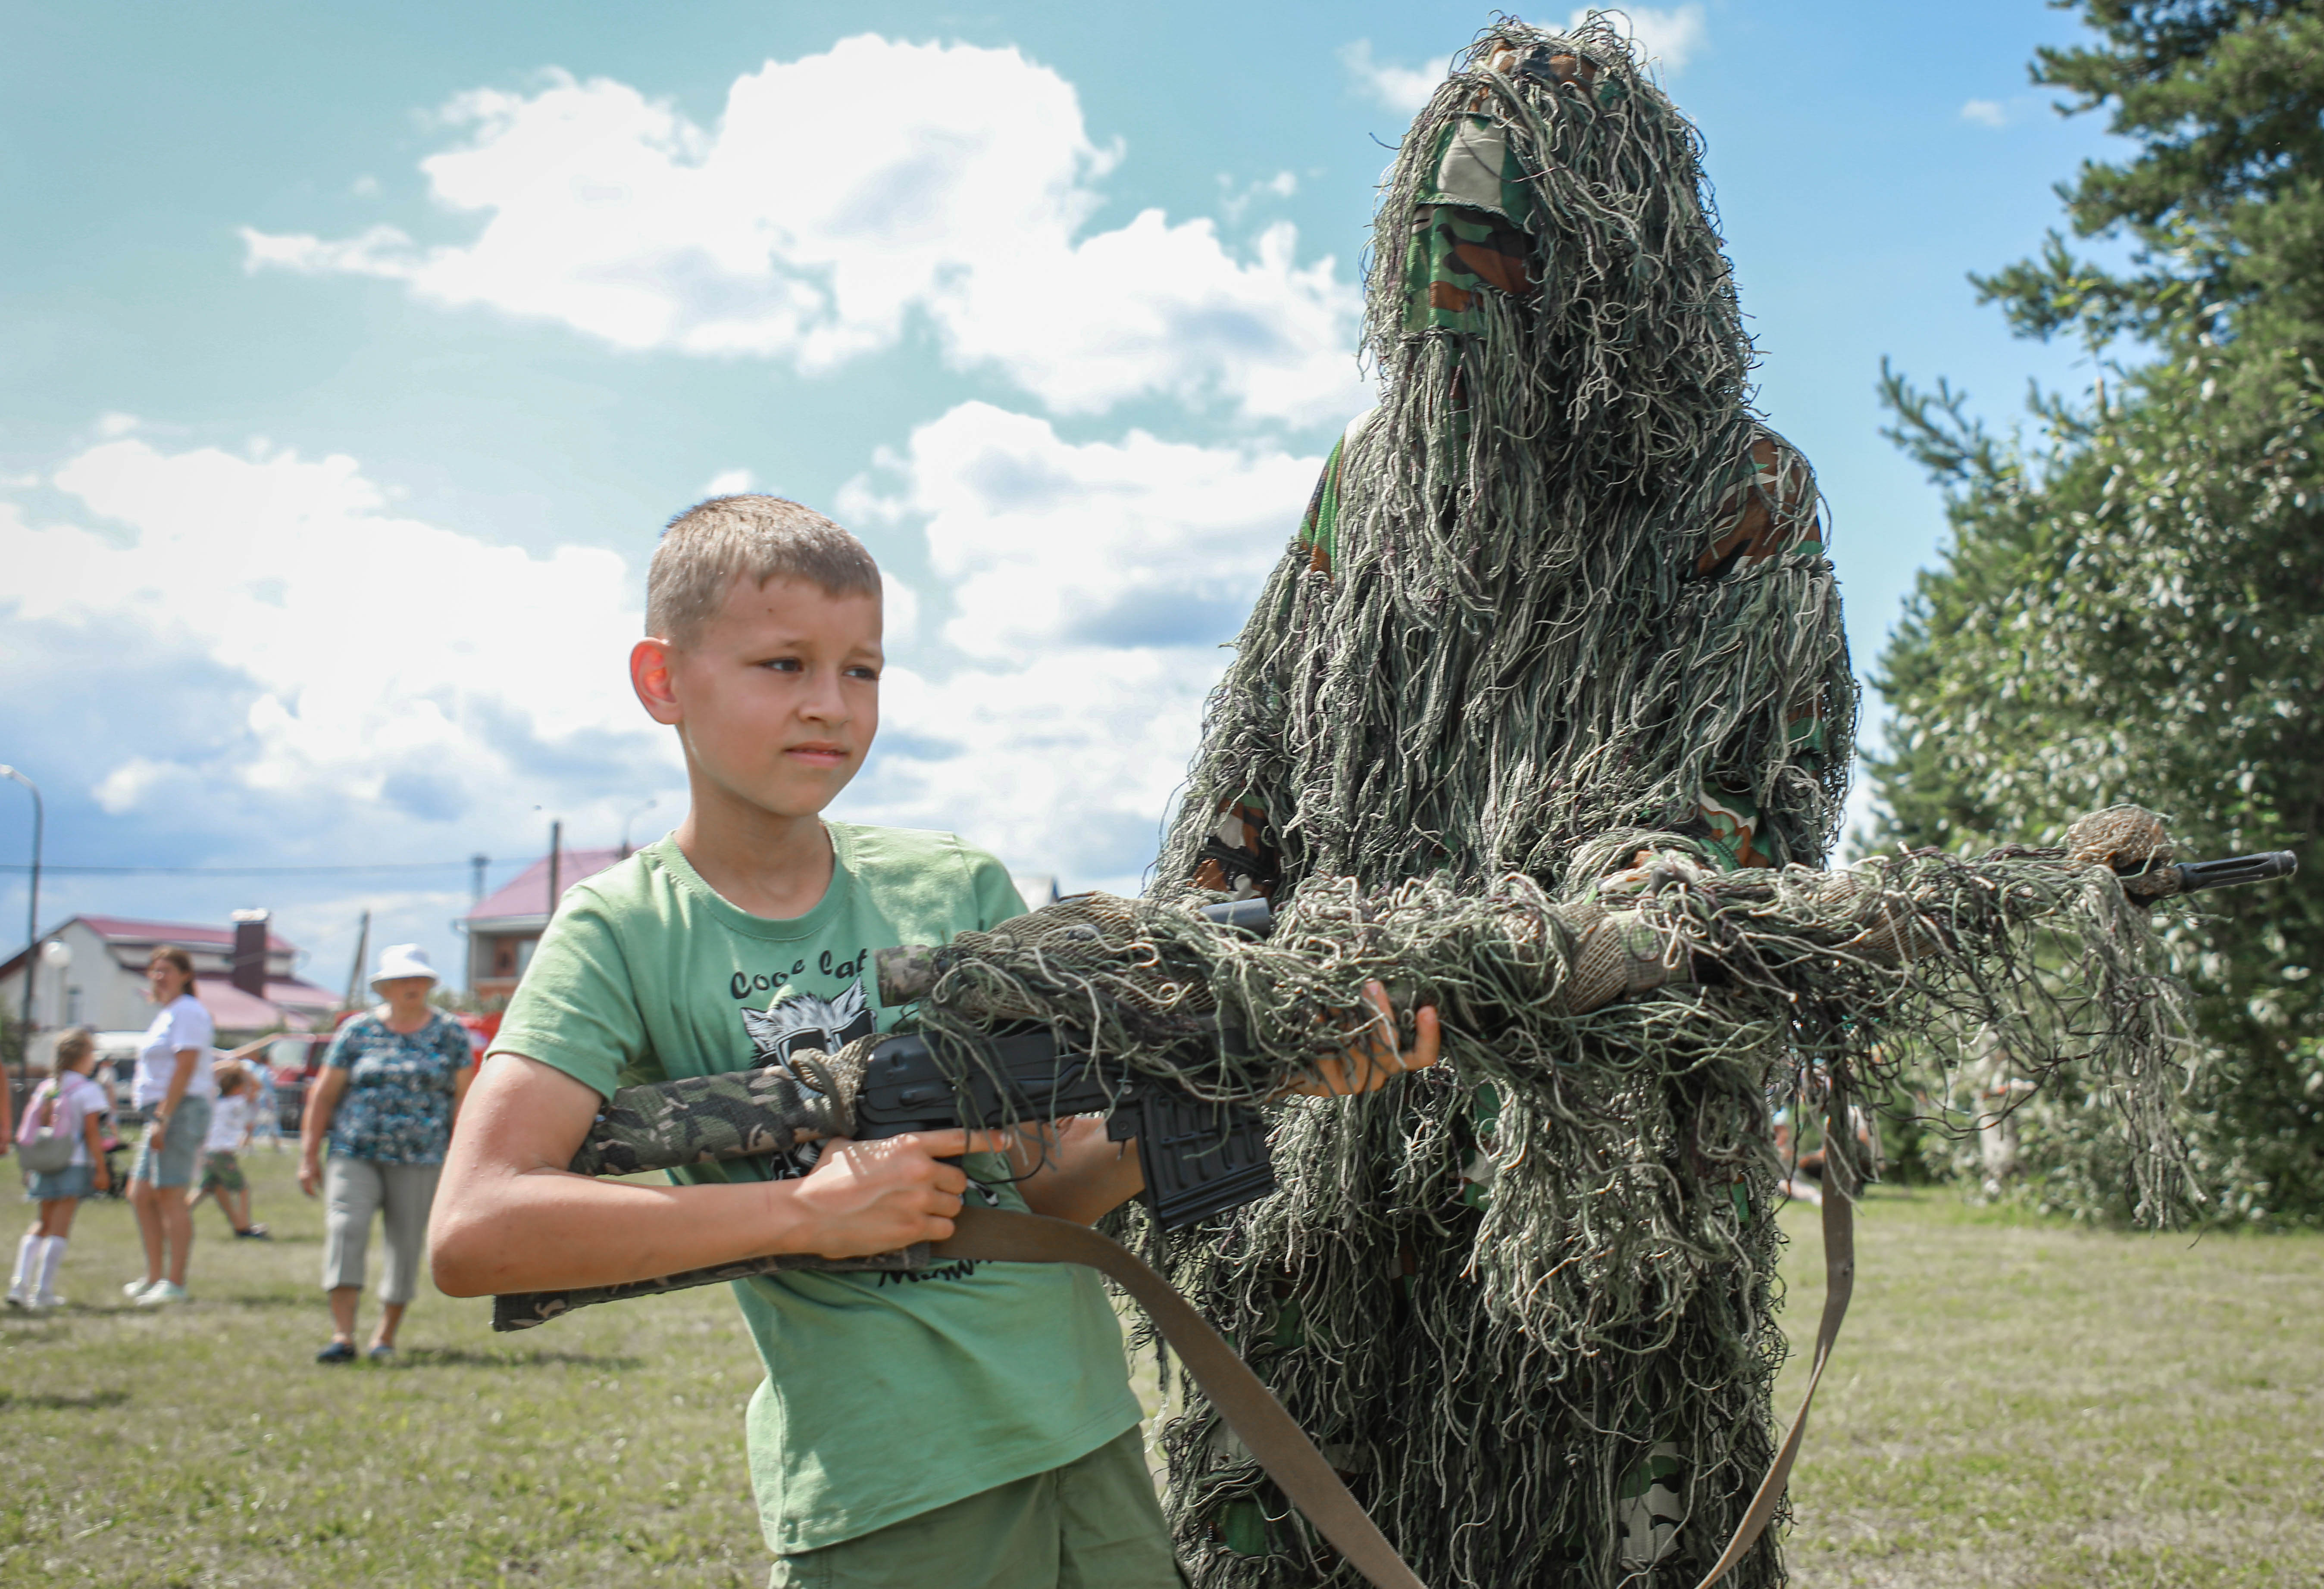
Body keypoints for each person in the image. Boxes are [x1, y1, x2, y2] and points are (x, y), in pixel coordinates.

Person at [432, 494, 1437, 1588]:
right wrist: (803, 1211)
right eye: (783, 664)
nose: (830, 705)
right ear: (662, 679)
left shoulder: (953, 882)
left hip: (1086, 1438)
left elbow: (1045, 1191)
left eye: (861, 670)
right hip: (887, 1487)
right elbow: (476, 1227)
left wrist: (1265, 1076)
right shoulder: (623, 930)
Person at [297, 943, 474, 1364]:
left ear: (430, 984)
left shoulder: (450, 1033)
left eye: (418, 978)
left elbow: (466, 1101)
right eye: (402, 979)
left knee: (405, 1243)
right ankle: (343, 1336)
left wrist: (464, 1160)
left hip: (422, 1155)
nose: (411, 986)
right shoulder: (357, 1032)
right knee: (346, 1228)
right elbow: (323, 1097)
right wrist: (308, 1156)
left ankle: (385, 1337)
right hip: (353, 1150)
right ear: (385, 987)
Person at [125, 943, 214, 1307]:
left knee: (170, 1194)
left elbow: (186, 1065)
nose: (159, 977)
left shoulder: (188, 1011)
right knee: (140, 1193)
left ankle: (174, 1282)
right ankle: (154, 1275)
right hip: (163, 1111)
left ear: (186, 976)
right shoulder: (168, 1012)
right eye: (155, 970)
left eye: (167, 970)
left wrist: (164, 1115)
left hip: (179, 1110)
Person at [9, 1028, 115, 1310]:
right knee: (60, 1226)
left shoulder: (47, 1087)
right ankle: (43, 1292)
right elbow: (93, 1132)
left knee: (41, 1223)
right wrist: (102, 1169)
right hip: (74, 1162)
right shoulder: (87, 1090)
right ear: (84, 1057)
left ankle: (19, 1285)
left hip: (46, 1162)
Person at [191, 1062, 269, 1238]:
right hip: (222, 1153)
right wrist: (243, 1070)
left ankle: (172, 1218)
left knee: (205, 1189)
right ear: (238, 1087)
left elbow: (210, 1073)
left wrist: (228, 1067)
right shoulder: (238, 1102)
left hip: (209, 1151)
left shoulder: (218, 1103)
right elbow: (259, 1087)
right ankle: (244, 1227)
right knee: (242, 1189)